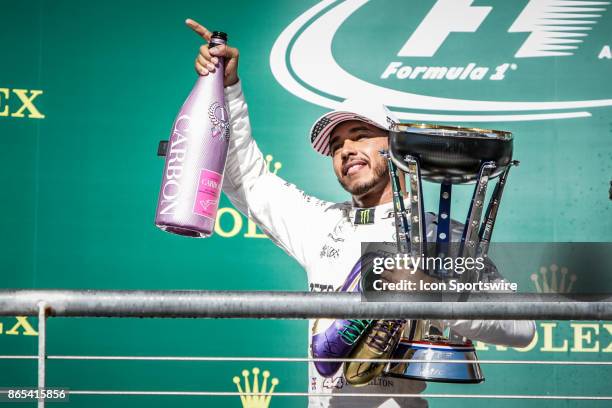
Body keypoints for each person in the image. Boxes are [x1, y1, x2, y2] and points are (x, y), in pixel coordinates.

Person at [185, 18, 536, 408]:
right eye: (337, 144)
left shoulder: (441, 234)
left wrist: (432, 290)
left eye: (360, 135)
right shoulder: (321, 223)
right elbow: (245, 177)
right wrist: (228, 88)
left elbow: (522, 326)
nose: (347, 149)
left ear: (397, 146)